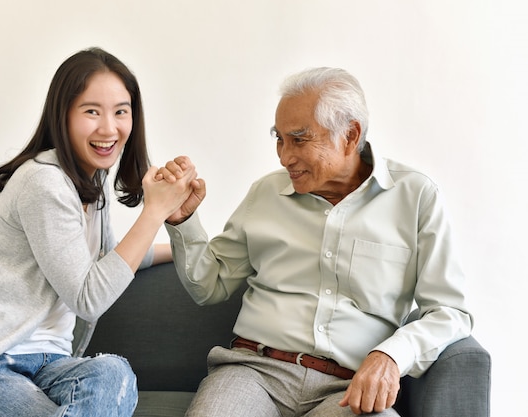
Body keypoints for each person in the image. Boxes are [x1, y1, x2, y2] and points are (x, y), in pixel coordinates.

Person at [159, 67, 472, 416]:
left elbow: (448, 312)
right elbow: (209, 285)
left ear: (350, 136)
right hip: (254, 373)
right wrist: (182, 219)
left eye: (299, 139)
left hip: (348, 389)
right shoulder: (265, 193)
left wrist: (391, 354)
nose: (284, 156)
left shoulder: (416, 196)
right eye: (279, 138)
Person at [0, 47, 198, 417]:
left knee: (113, 372)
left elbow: (110, 260)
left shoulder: (91, 183)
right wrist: (153, 210)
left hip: (50, 366)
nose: (108, 128)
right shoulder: (43, 182)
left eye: (120, 111)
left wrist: (181, 241)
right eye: (91, 111)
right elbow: (89, 296)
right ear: (62, 115)